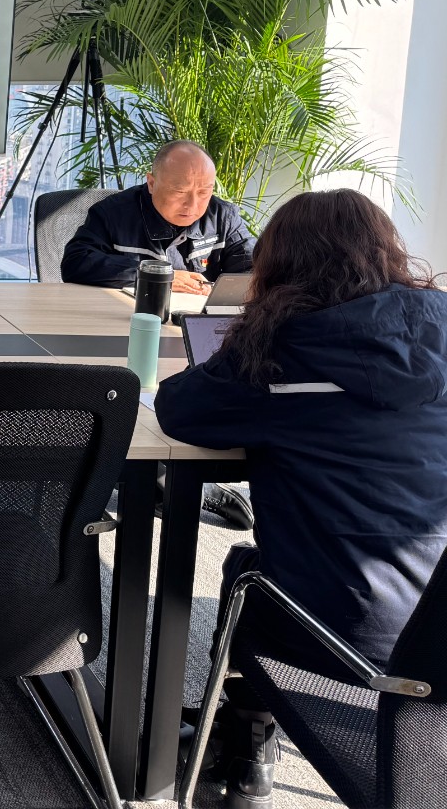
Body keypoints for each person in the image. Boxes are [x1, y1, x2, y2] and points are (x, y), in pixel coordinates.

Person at [156, 190, 447, 808]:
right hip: (439, 627)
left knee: (247, 571)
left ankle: (249, 747)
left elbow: (179, 411)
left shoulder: (279, 349)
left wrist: (237, 347)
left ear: (280, 265)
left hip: (344, 631)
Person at [62, 140, 255, 293]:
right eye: (180, 192)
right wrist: (158, 276)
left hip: (196, 323)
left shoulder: (224, 217)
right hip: (129, 318)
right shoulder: (113, 214)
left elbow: (257, 271)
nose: (192, 204)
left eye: (204, 192)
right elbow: (75, 263)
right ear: (152, 183)